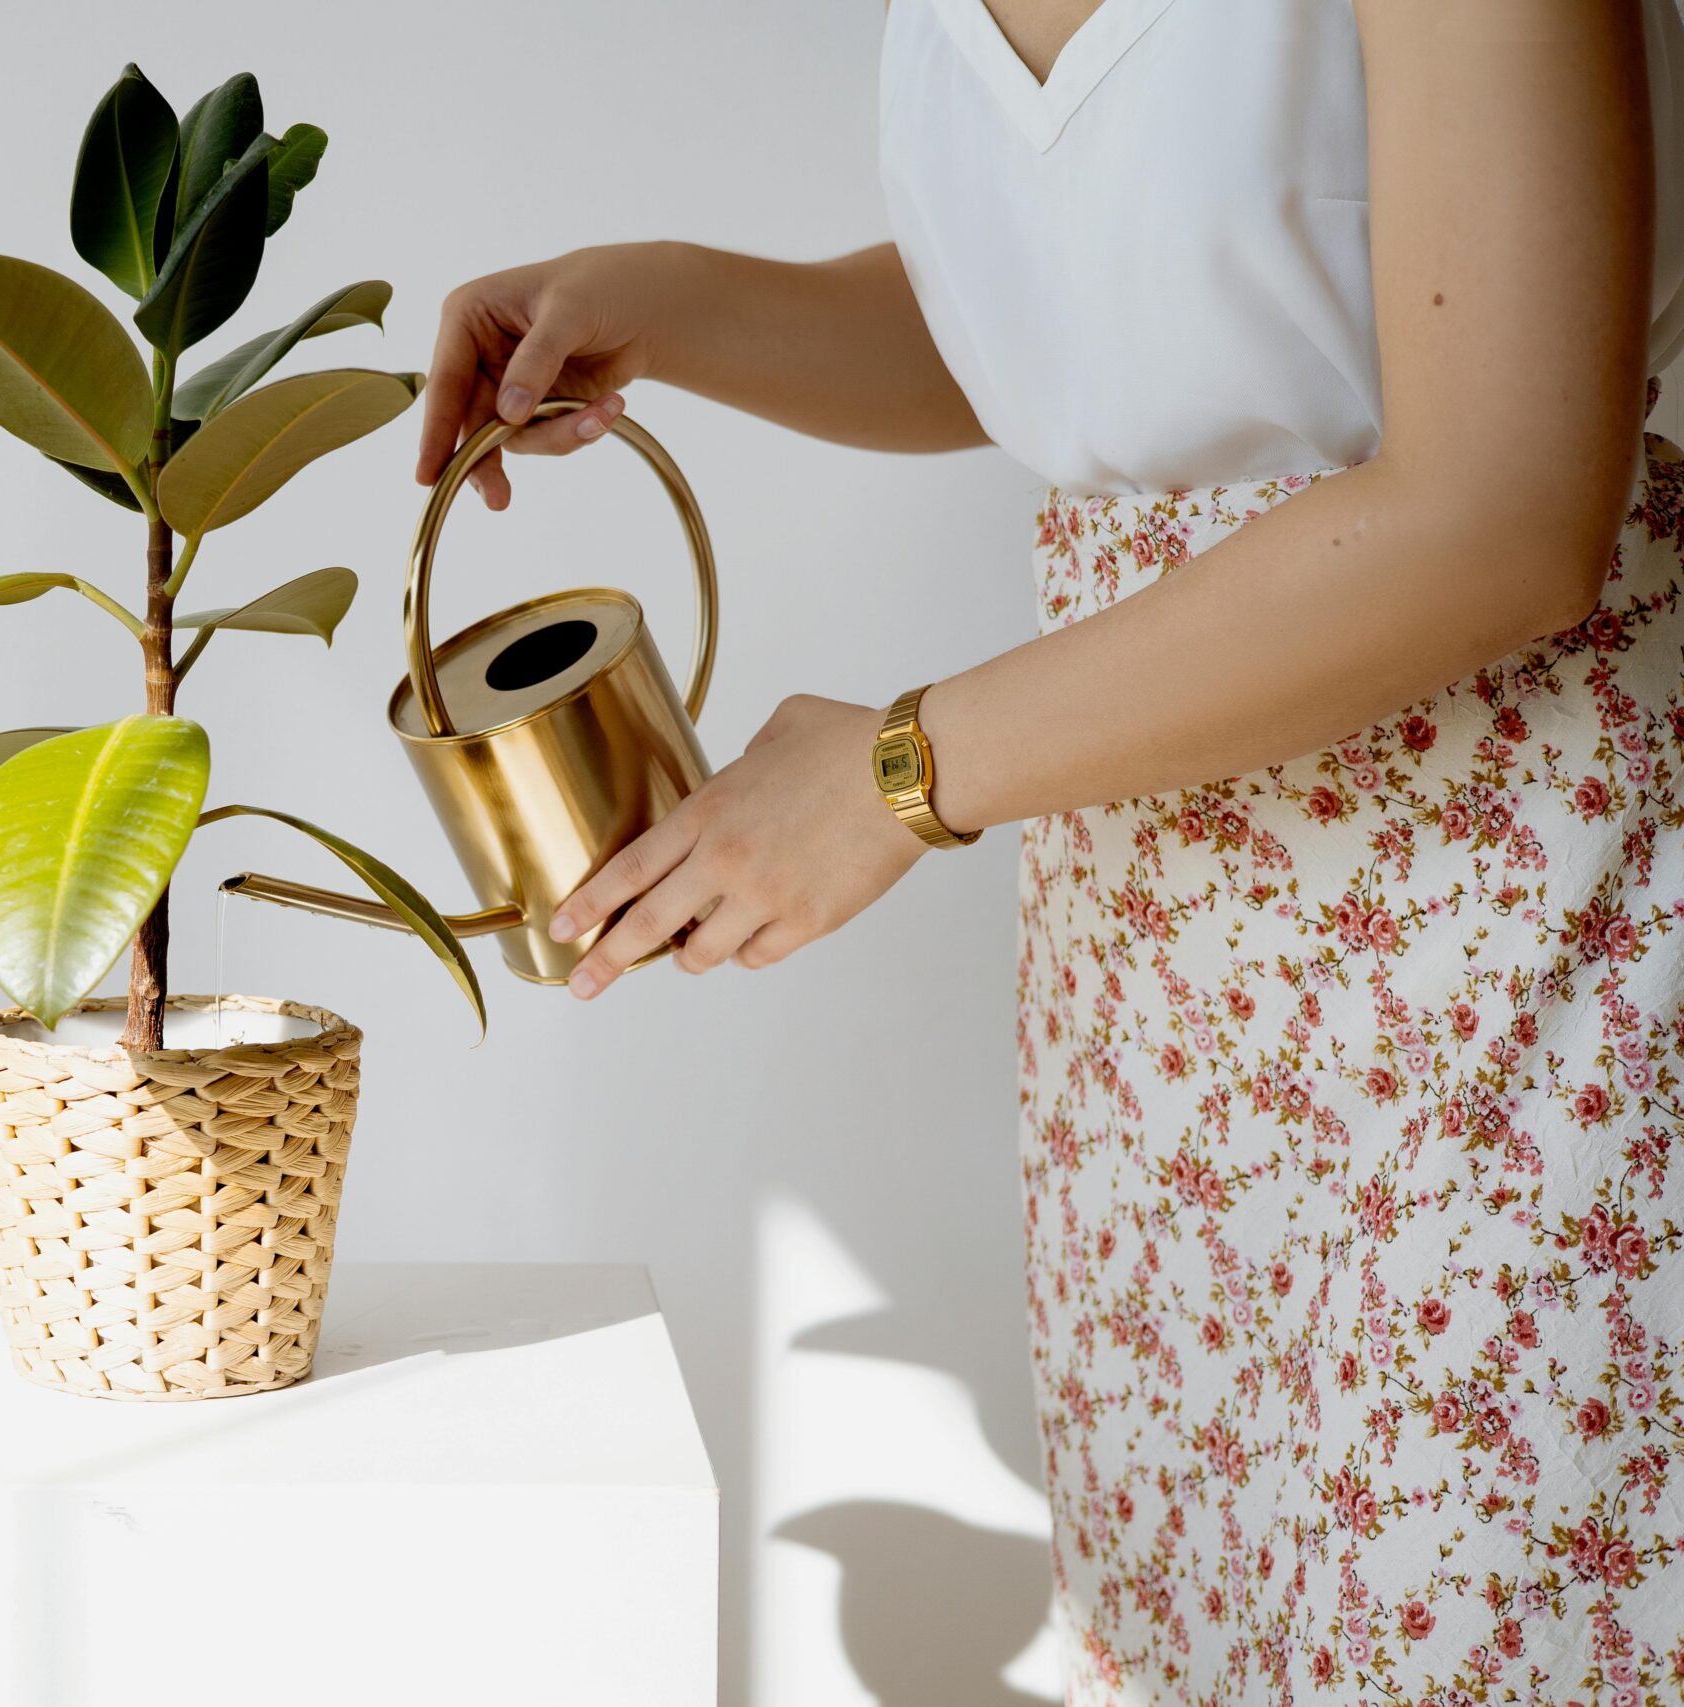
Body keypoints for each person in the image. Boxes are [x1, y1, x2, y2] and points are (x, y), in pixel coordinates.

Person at [416, 3, 1684, 1700]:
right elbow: (1130, 322)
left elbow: (1506, 507)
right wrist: (682, 303)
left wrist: (899, 773)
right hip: (1156, 984)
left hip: (1520, 913)